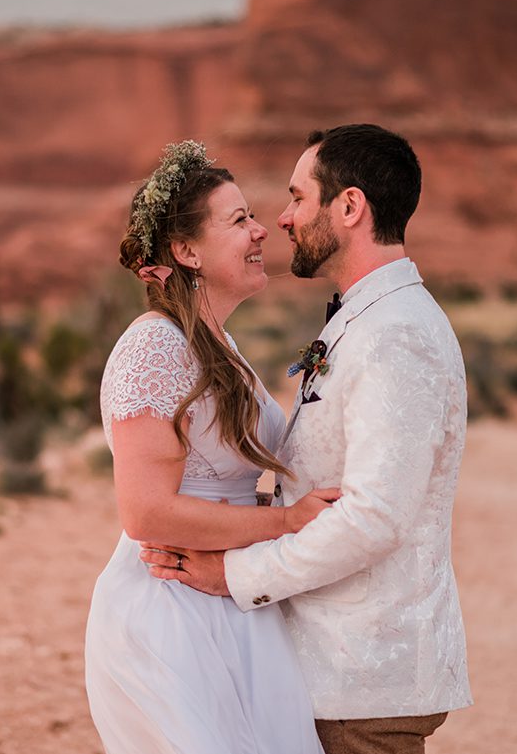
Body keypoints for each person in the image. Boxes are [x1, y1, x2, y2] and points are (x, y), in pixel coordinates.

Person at [141, 124, 473, 754]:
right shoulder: (364, 319)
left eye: (298, 197)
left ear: (349, 207)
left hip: (364, 679)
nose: (283, 220)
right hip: (333, 671)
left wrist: (232, 574)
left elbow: (376, 517)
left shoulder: (395, 334)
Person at [84, 140, 337, 753]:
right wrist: (286, 523)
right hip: (173, 610)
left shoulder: (217, 348)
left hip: (228, 594)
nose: (260, 232)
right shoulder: (155, 349)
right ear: (186, 251)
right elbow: (145, 513)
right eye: (240, 220)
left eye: (254, 217)